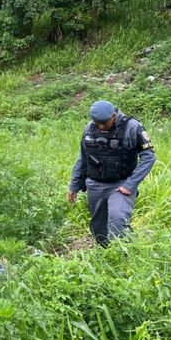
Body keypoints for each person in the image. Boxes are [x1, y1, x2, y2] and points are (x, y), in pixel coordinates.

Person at [68, 100, 156, 246]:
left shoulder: (132, 127)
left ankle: (123, 255)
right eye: (97, 123)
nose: (101, 127)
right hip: (95, 184)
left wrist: (130, 185)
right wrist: (74, 185)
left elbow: (149, 157)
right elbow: (83, 158)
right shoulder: (89, 128)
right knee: (98, 226)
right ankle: (106, 257)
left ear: (114, 116)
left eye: (104, 123)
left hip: (121, 184)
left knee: (117, 219)